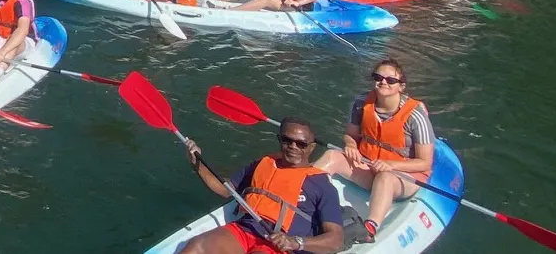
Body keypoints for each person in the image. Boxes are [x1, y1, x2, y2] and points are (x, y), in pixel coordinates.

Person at [179, 118, 346, 254]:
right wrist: (197, 163)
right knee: (196, 247)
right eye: (287, 140)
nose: (293, 147)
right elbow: (224, 190)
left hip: (283, 246)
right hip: (245, 230)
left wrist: (295, 242)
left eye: (301, 144)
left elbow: (336, 240)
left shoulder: (321, 184)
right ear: (279, 140)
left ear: (311, 147)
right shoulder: (262, 164)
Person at [314, 58, 435, 244]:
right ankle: (297, 192)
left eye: (391, 80)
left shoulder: (415, 117)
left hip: (404, 176)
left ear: (401, 86)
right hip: (368, 165)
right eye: (378, 77)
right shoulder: (361, 103)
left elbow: (425, 162)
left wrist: (390, 165)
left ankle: (369, 228)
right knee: (332, 156)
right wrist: (351, 145)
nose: (383, 82)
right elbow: (350, 135)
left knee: (385, 177)